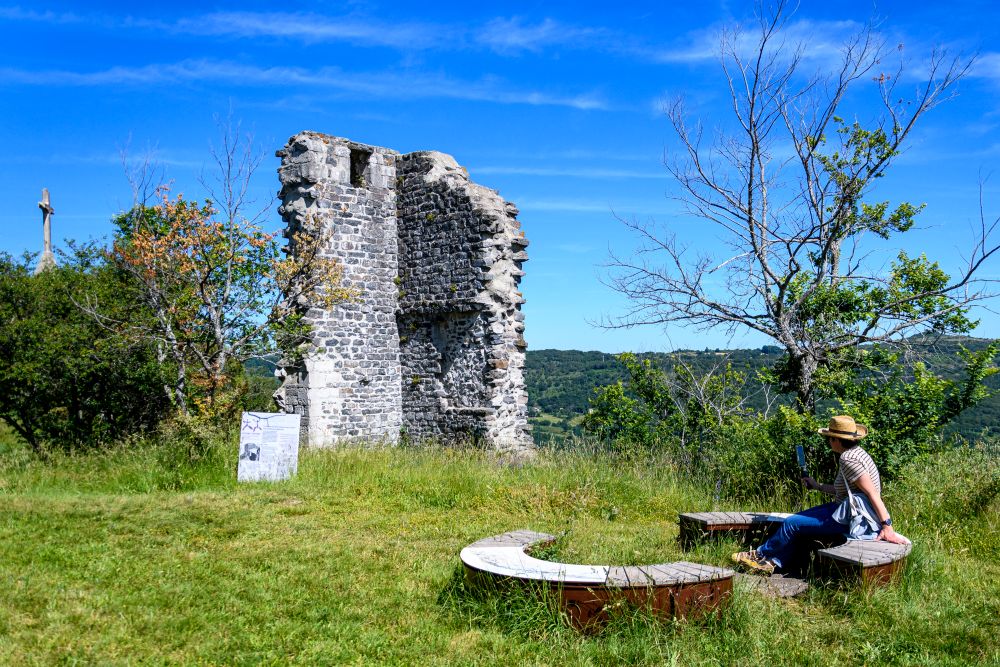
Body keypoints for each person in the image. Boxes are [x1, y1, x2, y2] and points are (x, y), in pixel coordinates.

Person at [732, 415, 909, 575]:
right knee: (796, 520)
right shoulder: (856, 453)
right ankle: (772, 562)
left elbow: (872, 493)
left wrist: (887, 527)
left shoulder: (849, 459)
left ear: (836, 440)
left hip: (850, 517)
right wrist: (817, 486)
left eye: (829, 438)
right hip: (842, 509)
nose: (828, 442)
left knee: (791, 523)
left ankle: (760, 555)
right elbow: (845, 491)